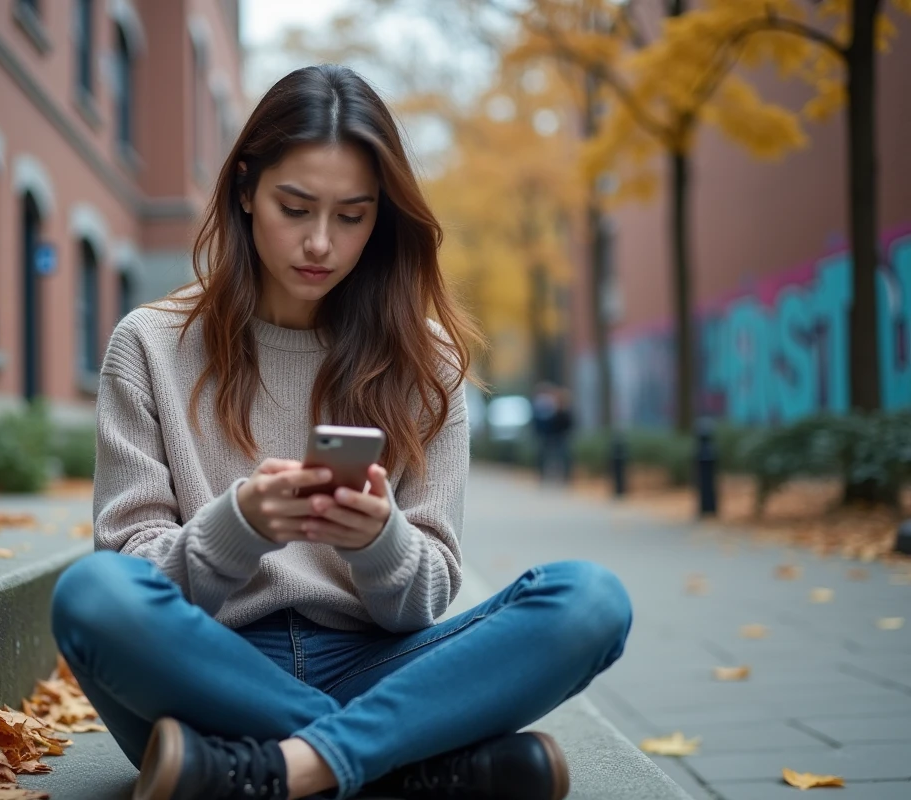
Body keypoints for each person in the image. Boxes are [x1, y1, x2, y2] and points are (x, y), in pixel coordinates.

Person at [50, 65, 632, 800]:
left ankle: (274, 773)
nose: (320, 243)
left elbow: (425, 602)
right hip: (207, 672)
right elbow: (132, 573)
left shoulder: (426, 359)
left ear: (380, 219)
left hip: (372, 664)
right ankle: (409, 767)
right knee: (92, 594)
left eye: (352, 216)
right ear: (246, 190)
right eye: (295, 207)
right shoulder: (150, 344)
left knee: (590, 602)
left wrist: (377, 539)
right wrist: (239, 525)